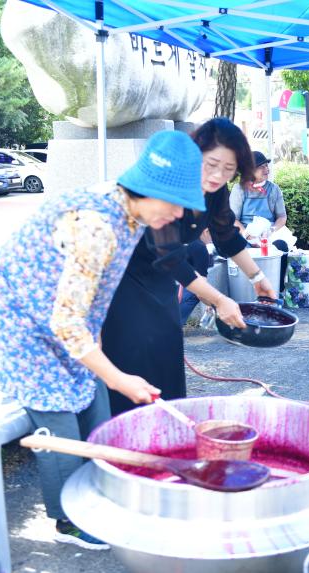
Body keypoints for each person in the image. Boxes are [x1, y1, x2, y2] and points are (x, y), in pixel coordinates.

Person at [0, 130, 205, 549]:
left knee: (95, 408)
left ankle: (96, 497)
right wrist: (119, 378)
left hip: (62, 316)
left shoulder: (131, 212)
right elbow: (65, 321)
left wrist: (103, 366)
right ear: (147, 189)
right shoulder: (97, 225)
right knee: (59, 417)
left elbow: (85, 301)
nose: (177, 213)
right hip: (22, 322)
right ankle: (68, 520)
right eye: (173, 202)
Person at [103, 119, 277, 417]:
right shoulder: (167, 182)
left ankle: (166, 427)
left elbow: (226, 236)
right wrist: (219, 300)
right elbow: (169, 255)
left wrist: (257, 277)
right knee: (134, 355)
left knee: (167, 353)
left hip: (161, 280)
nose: (218, 175)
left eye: (229, 169)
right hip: (126, 279)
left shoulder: (216, 191)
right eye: (212, 164)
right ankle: (128, 429)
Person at [229, 149, 290, 293]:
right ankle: (248, 293)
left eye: (267, 166)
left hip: (268, 233)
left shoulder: (274, 189)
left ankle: (278, 290)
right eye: (261, 167)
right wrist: (247, 235)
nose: (266, 169)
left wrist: (271, 230)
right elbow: (233, 219)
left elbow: (282, 217)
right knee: (242, 249)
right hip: (245, 233)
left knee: (281, 246)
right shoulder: (239, 189)